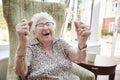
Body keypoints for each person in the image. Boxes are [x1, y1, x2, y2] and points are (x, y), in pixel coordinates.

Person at [14, 12, 91, 80]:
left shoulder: (60, 43)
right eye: (40, 25)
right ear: (34, 32)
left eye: (48, 24)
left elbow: (78, 58)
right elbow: (21, 72)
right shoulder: (29, 47)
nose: (45, 27)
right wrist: (22, 42)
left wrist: (82, 42)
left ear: (53, 28)